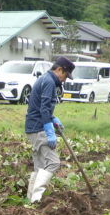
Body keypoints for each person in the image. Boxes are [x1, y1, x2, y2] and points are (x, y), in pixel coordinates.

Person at [24, 56, 74, 203]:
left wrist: (53, 119)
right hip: (39, 127)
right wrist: (49, 130)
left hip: (33, 126)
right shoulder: (49, 82)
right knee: (53, 162)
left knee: (39, 165)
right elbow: (44, 108)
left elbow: (41, 106)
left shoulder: (44, 79)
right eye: (65, 76)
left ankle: (30, 199)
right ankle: (36, 198)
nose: (64, 80)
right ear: (59, 70)